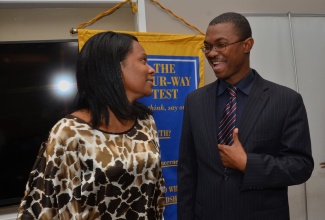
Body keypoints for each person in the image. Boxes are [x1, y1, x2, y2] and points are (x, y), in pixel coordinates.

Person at [177, 12, 314, 220]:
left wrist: (248, 163)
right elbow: (187, 171)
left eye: (221, 44)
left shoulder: (286, 100)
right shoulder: (195, 101)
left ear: (247, 45)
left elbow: (300, 166)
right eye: (208, 46)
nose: (212, 53)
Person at [18, 31, 165, 220]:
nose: (151, 69)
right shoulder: (69, 132)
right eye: (143, 60)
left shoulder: (146, 122)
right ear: (114, 68)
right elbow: (47, 206)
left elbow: (156, 195)